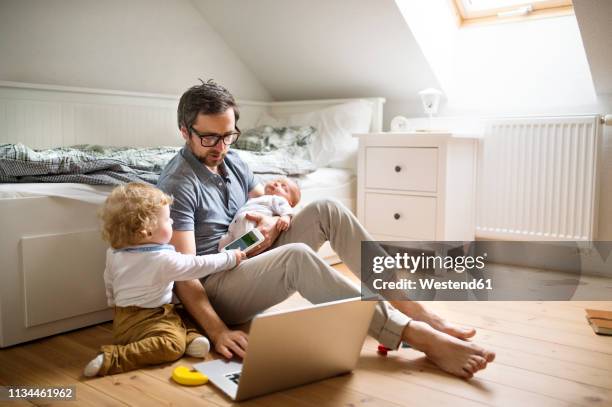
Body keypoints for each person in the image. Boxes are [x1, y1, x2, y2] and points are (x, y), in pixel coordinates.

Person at [157, 80, 495, 379]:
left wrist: (278, 219)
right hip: (217, 286)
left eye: (228, 135)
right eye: (209, 137)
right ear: (185, 132)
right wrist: (218, 332)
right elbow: (185, 274)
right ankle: (416, 335)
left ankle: (414, 309)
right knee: (296, 257)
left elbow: (260, 203)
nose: (220, 146)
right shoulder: (178, 183)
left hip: (249, 256)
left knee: (326, 209)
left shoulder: (232, 160)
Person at [83, 183, 246, 377]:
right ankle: (114, 357)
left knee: (182, 313)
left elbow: (109, 279)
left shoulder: (115, 252)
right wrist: (230, 258)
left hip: (123, 317)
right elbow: (198, 264)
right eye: (168, 219)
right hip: (146, 320)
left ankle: (190, 337)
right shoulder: (161, 259)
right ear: (147, 231)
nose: (172, 222)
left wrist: (113, 303)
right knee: (171, 345)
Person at [218, 177, 300, 250]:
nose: (277, 184)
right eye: (277, 181)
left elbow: (286, 208)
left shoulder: (277, 199)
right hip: (235, 225)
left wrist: (286, 216)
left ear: (290, 202)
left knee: (246, 239)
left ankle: (239, 256)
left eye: (284, 187)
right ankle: (227, 255)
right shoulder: (259, 198)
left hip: (251, 222)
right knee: (223, 244)